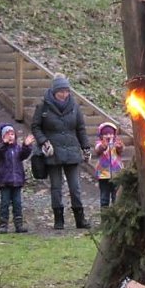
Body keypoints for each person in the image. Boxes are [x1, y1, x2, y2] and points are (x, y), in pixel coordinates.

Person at [31, 73, 92, 230]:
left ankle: (80, 219)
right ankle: (59, 220)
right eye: (61, 91)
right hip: (53, 152)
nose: (64, 94)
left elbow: (81, 128)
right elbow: (36, 127)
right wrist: (44, 141)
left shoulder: (75, 107)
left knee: (75, 187)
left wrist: (86, 147)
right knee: (56, 187)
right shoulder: (43, 106)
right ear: (54, 91)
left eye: (66, 91)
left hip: (72, 151)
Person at [0, 125, 35, 233]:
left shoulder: (17, 148)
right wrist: (4, 144)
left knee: (17, 203)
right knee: (4, 203)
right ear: (3, 137)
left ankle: (19, 224)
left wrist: (26, 146)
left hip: (17, 181)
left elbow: (24, 155)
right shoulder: (1, 149)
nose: (10, 136)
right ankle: (3, 225)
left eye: (12, 134)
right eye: (8, 134)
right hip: (4, 181)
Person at [93, 121, 125, 209]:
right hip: (103, 175)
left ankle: (115, 215)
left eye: (110, 134)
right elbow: (97, 150)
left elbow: (121, 151)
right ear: (101, 135)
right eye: (105, 134)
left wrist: (120, 147)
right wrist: (103, 146)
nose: (108, 136)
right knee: (104, 197)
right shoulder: (99, 143)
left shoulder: (116, 143)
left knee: (116, 197)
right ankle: (104, 216)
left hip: (116, 174)